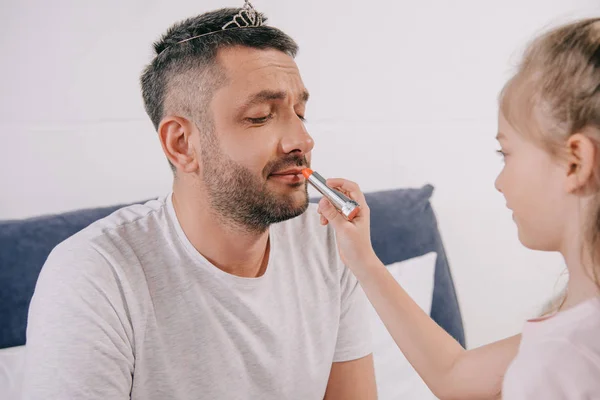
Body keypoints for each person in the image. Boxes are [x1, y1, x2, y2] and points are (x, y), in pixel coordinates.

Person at [21, 2, 376, 399]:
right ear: (182, 144)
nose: (303, 141)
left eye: (300, 113)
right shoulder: (95, 275)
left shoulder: (328, 241)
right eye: (260, 116)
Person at [317, 17, 600, 400]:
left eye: (507, 153)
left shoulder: (562, 359)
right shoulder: (575, 333)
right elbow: (456, 376)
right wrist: (363, 259)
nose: (499, 182)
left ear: (575, 163)